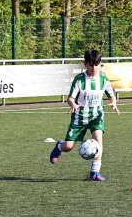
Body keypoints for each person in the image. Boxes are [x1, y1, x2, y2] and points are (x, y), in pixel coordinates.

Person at [48, 48, 119, 181]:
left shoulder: (103, 79)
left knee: (99, 144)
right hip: (79, 117)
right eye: (90, 65)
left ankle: (95, 172)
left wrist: (114, 102)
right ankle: (59, 146)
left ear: (100, 64)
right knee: (69, 147)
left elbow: (111, 94)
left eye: (96, 65)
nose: (94, 68)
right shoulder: (79, 80)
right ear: (85, 64)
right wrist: (73, 105)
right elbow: (70, 98)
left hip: (97, 116)